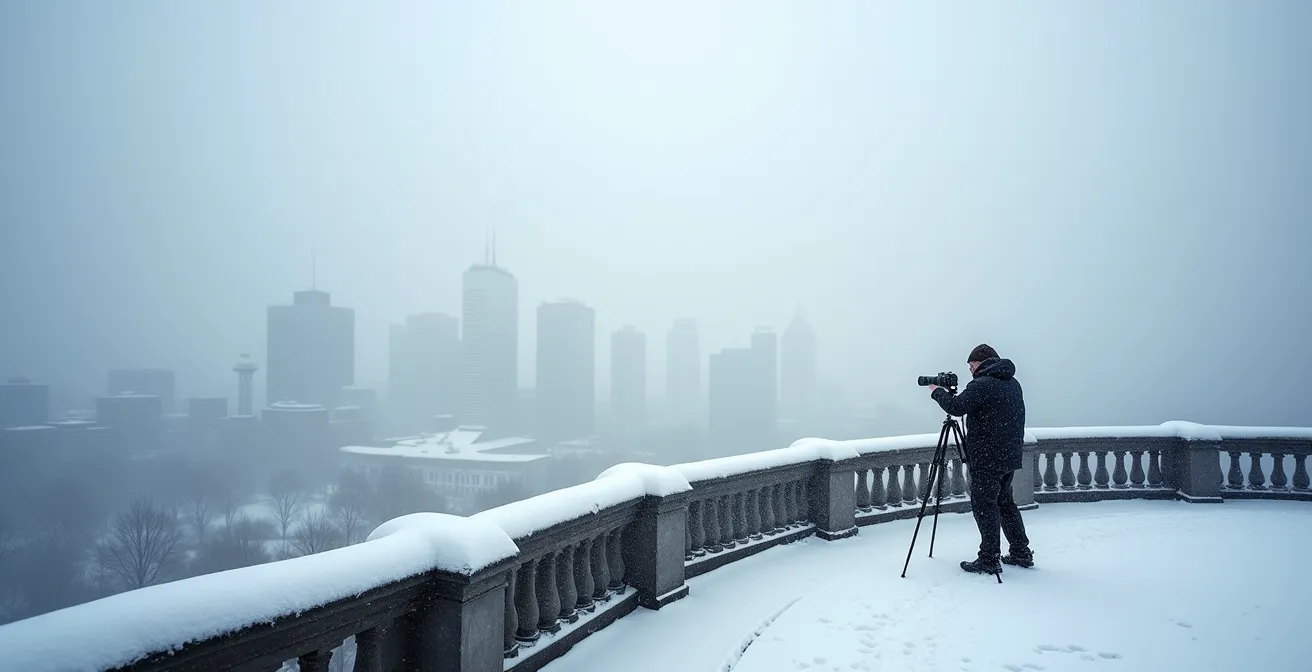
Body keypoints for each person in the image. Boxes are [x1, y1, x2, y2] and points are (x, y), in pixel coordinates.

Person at [927, 343, 1033, 576]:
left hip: (987, 458)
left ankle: (989, 559)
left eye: (971, 366)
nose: (970, 371)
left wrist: (936, 391)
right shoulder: (1012, 383)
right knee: (1005, 503)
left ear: (978, 363)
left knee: (985, 506)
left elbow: (957, 407)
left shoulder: (982, 384)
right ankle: (1020, 551)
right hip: (1009, 456)